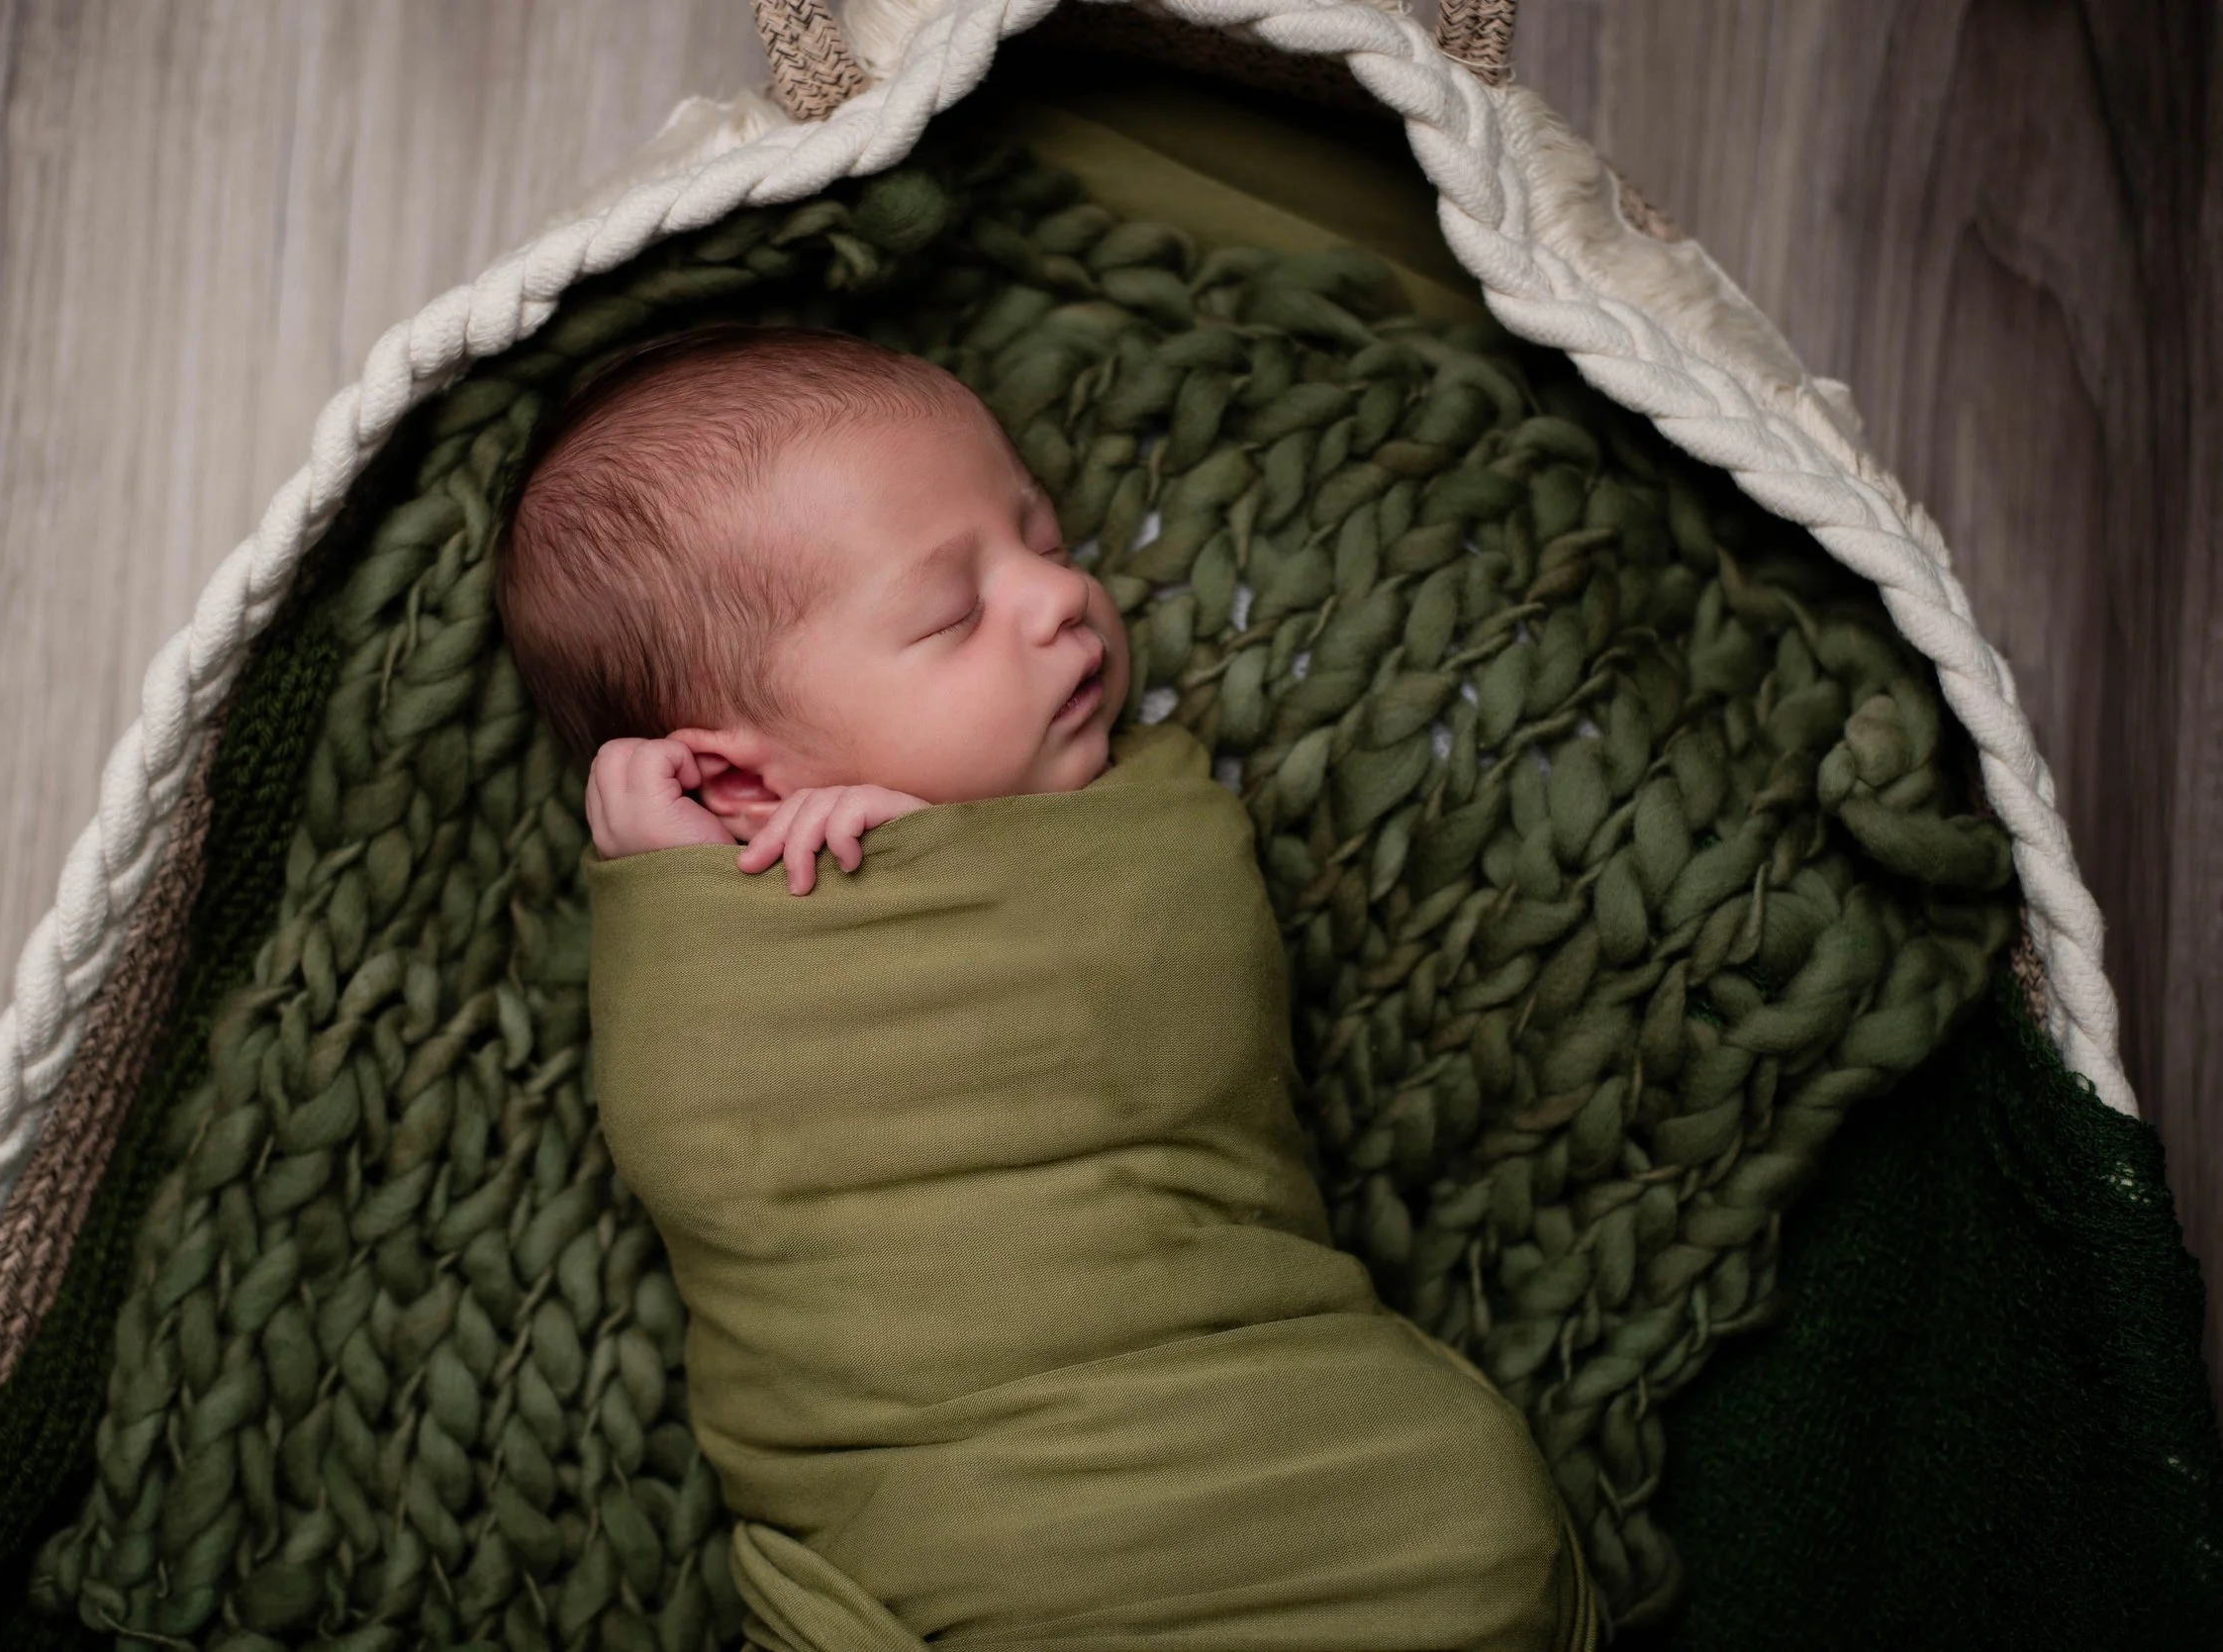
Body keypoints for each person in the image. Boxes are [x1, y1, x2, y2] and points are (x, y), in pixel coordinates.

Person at [494, 323, 1595, 1651]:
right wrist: (680, 910)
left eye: (1050, 541)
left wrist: (925, 854)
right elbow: (720, 1150)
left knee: (1457, 1522)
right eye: (951, 615)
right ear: (735, 779)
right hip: (967, 1533)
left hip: (1316, 1452)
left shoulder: (1148, 834)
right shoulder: (725, 939)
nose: (1058, 599)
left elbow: (1186, 1014)